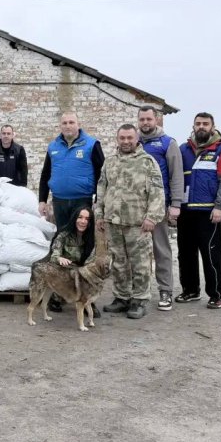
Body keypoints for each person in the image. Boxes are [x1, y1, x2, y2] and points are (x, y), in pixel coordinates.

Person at [96, 124, 165, 319]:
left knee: (140, 263)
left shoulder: (147, 162)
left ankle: (140, 299)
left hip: (137, 223)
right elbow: (102, 188)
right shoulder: (110, 161)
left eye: (129, 138)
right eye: (122, 138)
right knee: (118, 262)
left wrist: (152, 217)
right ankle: (122, 297)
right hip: (113, 221)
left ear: (137, 139)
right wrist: (99, 213)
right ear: (117, 139)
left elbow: (157, 192)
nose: (126, 141)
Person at [176, 112, 221, 309]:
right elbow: (176, 179)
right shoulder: (182, 150)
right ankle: (190, 290)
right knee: (185, 254)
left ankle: (216, 294)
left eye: (205, 124)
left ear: (212, 127)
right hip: (185, 212)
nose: (201, 126)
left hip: (208, 212)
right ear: (193, 126)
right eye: (198, 123)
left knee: (211, 255)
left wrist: (219, 207)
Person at [137, 105, 184, 311]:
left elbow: (176, 175)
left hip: (159, 206)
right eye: (142, 119)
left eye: (149, 119)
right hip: (136, 206)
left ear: (156, 120)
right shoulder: (133, 142)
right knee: (137, 251)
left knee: (161, 249)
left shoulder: (167, 143)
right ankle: (137, 291)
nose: (145, 123)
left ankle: (165, 290)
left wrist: (176, 204)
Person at [38, 111, 104, 230]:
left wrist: (97, 200)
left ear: (78, 124)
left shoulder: (92, 144)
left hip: (82, 200)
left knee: (81, 235)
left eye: (71, 122)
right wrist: (42, 200)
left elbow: (101, 174)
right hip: (59, 201)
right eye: (64, 123)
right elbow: (46, 174)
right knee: (62, 235)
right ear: (60, 126)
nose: (68, 126)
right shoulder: (53, 146)